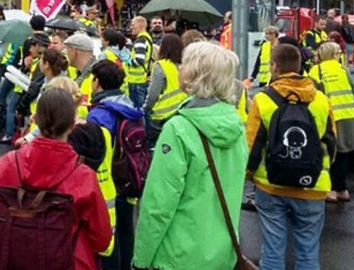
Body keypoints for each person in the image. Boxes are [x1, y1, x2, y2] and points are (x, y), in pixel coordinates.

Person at [133, 42, 249, 270]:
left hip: (177, 256)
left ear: (195, 74)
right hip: (222, 253)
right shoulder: (235, 124)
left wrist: (141, 259)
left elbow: (158, 205)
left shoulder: (178, 128)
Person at [0, 88, 112, 269]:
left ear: (35, 120)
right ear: (72, 125)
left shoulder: (6, 165)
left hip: (15, 261)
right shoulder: (83, 177)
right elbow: (101, 239)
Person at [246, 43, 335, 270]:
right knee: (307, 253)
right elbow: (331, 143)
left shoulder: (263, 99)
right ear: (299, 66)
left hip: (271, 185)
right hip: (313, 185)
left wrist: (248, 176)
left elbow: (252, 146)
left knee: (273, 251)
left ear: (274, 67)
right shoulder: (322, 100)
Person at [86, 60, 143, 270]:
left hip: (110, 184)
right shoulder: (129, 105)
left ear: (97, 82)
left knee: (110, 241)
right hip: (130, 178)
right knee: (127, 233)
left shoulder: (100, 114)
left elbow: (97, 153)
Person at [308, 41, 354, 203]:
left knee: (327, 152)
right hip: (348, 115)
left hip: (329, 117)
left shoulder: (317, 70)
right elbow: (352, 89)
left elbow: (310, 93)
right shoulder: (344, 70)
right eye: (338, 53)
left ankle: (329, 190)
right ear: (334, 55)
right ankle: (342, 189)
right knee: (344, 153)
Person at [143, 33, 186, 144]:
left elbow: (153, 94)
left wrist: (146, 108)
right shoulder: (185, 65)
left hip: (163, 116)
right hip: (183, 111)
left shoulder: (161, 65)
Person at [65, 34, 98, 118]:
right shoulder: (79, 74)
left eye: (67, 51)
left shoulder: (97, 76)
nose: (67, 56)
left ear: (74, 51)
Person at [128, 16, 153, 111]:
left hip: (136, 81)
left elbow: (138, 60)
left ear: (140, 25)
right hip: (141, 79)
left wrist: (127, 60)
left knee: (137, 110)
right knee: (143, 110)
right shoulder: (147, 38)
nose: (131, 27)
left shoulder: (141, 40)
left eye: (133, 25)